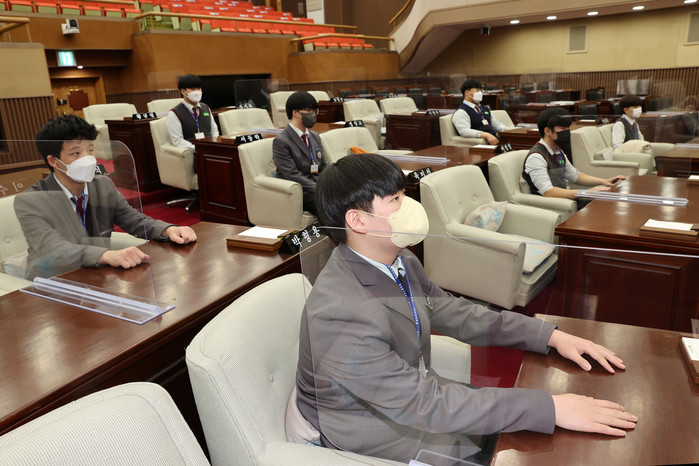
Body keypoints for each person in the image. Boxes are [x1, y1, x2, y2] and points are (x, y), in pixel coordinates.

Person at [294, 153, 637, 463]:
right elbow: (421, 403)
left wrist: (548, 336)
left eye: (404, 194)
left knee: (529, 435)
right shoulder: (340, 310)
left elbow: (456, 313)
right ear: (357, 221)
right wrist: (549, 407)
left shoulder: (401, 260)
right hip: (371, 429)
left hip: (413, 397)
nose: (409, 205)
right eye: (395, 199)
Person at [14, 115, 197, 280]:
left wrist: (168, 230)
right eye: (76, 153)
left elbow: (133, 219)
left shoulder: (102, 185)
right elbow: (52, 248)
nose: (88, 159)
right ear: (53, 161)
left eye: (90, 150)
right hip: (52, 282)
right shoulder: (31, 200)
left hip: (96, 275)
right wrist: (106, 255)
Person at [522, 107, 626, 208]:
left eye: (568, 128)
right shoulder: (536, 157)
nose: (567, 132)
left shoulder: (558, 151)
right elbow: (548, 192)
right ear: (548, 131)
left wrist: (604, 181)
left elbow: (575, 176)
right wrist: (587, 192)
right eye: (563, 129)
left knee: (611, 204)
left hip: (567, 202)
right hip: (553, 207)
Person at [272, 91, 327, 215]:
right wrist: (319, 188)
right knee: (332, 206)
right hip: (302, 190)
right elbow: (291, 174)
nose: (312, 114)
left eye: (314, 111)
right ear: (295, 112)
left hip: (318, 184)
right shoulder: (281, 141)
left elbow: (323, 165)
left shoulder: (315, 136)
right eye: (308, 110)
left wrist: (334, 179)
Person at [166, 74, 219, 173]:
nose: (197, 92)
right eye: (193, 89)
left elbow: (214, 130)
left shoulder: (206, 108)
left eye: (199, 88)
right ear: (183, 91)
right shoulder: (174, 113)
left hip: (213, 150)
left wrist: (214, 145)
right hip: (196, 154)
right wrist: (199, 148)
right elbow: (177, 141)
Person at [452, 79, 508, 145]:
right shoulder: (461, 111)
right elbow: (464, 131)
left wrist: (508, 130)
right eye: (477, 90)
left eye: (481, 91)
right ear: (467, 92)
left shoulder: (484, 108)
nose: (480, 93)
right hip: (485, 143)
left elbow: (495, 123)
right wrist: (486, 135)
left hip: (496, 138)